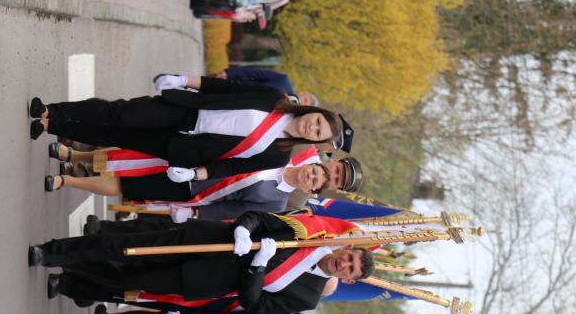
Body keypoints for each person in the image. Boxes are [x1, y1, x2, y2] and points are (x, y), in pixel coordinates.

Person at [28, 75, 343, 190]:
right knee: (119, 113)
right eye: (317, 121)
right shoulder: (273, 99)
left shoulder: (278, 156)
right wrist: (184, 80)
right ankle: (52, 110)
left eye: (318, 133)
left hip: (182, 146)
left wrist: (196, 174)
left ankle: (52, 126)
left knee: (116, 137)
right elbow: (226, 87)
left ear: (313, 141)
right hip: (185, 110)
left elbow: (231, 167)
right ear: (312, 112)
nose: (312, 127)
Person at [28, 211, 376, 314]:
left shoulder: (308, 297)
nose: (344, 265)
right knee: (124, 247)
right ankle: (53, 252)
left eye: (350, 270)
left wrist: (258, 267)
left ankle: (74, 267)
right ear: (345, 249)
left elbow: (254, 302)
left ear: (348, 280)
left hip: (202, 279)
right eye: (349, 258)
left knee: (123, 280)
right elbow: (259, 218)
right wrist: (243, 229)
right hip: (205, 241)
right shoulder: (308, 235)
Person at [43, 145, 364, 221]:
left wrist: (198, 213)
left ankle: (67, 180)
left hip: (195, 190)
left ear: (311, 190)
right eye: (317, 171)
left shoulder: (281, 202)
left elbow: (237, 210)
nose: (312, 176)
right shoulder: (289, 150)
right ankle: (76, 155)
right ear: (315, 163)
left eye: (317, 182)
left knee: (128, 185)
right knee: (134, 156)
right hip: (203, 157)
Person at [214, 67, 318, 106]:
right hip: (233, 89)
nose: (302, 102)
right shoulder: (283, 80)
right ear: (302, 93)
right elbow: (255, 73)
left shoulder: (287, 115)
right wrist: (229, 73)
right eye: (305, 99)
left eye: (305, 105)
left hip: (235, 108)